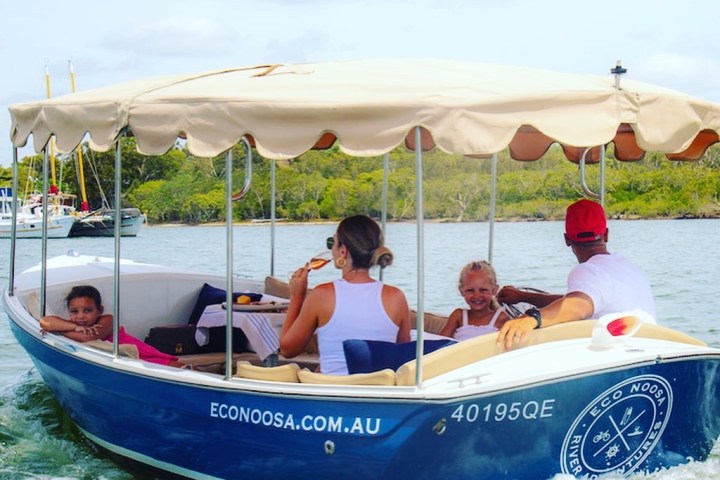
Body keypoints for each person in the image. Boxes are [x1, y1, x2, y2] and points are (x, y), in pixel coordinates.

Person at [496, 199, 657, 349]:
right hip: (653, 346)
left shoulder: (588, 270)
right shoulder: (627, 266)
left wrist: (530, 319)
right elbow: (577, 300)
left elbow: (576, 308)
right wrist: (523, 296)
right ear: (606, 234)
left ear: (566, 239)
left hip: (620, 353)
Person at [280, 215, 411, 375]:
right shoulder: (396, 297)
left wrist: (296, 297)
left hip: (332, 393)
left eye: (332, 243)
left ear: (343, 251)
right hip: (378, 393)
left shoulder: (322, 295)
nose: (331, 249)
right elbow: (402, 353)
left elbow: (287, 349)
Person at [40, 285, 183, 366]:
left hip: (137, 352)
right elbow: (45, 322)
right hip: (123, 359)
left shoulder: (107, 320)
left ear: (99, 311)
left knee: (173, 366)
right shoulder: (74, 325)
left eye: (88, 311)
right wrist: (73, 327)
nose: (81, 316)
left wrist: (60, 329)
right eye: (74, 312)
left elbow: (86, 337)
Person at [440, 260, 509, 341]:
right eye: (470, 290)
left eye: (483, 290)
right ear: (461, 291)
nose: (476, 295)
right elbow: (440, 343)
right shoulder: (458, 315)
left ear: (494, 290)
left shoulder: (501, 318)